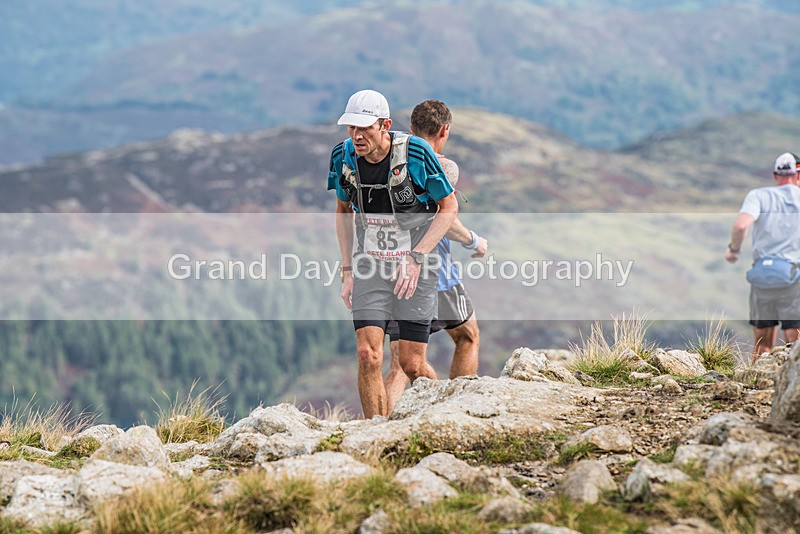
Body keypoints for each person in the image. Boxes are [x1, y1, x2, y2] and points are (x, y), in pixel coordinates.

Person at [328, 89, 458, 418]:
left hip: (416, 267)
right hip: (370, 265)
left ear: (385, 125)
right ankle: (374, 436)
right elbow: (344, 210)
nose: (356, 135)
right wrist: (347, 270)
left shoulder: (415, 153)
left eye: (364, 128)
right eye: (351, 128)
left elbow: (448, 206)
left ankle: (453, 409)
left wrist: (416, 258)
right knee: (368, 354)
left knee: (411, 364)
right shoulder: (343, 157)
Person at [383, 99, 488, 413]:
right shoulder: (444, 166)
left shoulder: (389, 164)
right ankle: (455, 409)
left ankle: (384, 426)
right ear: (445, 130)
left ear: (411, 129)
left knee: (400, 364)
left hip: (390, 268)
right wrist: (474, 241)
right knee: (467, 335)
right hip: (435, 270)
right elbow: (444, 219)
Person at [725, 152, 800, 360]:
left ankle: (755, 387)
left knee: (762, 347)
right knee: (796, 345)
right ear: (799, 175)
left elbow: (741, 225)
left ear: (776, 175)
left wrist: (733, 250)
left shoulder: (758, 196)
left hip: (763, 276)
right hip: (795, 276)